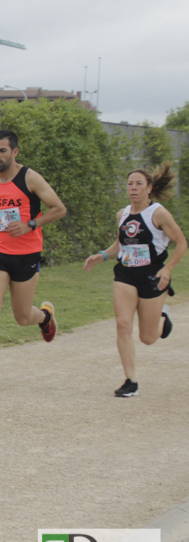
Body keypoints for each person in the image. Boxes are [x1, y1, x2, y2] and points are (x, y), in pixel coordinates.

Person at [0, 129, 68, 391]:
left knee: (21, 316)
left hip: (26, 255)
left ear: (15, 152)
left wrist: (31, 224)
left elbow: (59, 209)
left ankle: (44, 317)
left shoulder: (30, 178)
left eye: (2, 150)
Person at [83, 162, 184, 397]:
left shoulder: (158, 213)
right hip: (126, 274)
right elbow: (122, 244)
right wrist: (103, 255)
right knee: (123, 324)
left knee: (148, 338)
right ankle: (131, 381)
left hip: (153, 276)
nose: (133, 188)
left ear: (149, 188)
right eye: (130, 184)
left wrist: (168, 269)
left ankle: (162, 317)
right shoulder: (122, 214)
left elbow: (181, 242)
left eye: (139, 184)